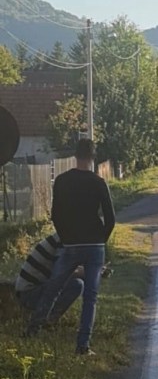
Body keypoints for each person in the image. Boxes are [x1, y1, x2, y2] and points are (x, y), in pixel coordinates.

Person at [27, 138, 116, 356]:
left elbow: (55, 214)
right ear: (93, 157)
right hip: (94, 244)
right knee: (90, 296)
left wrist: (66, 237)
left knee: (54, 287)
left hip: (71, 243)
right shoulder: (99, 182)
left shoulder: (62, 181)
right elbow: (111, 218)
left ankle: (33, 330)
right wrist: (101, 240)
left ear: (75, 156)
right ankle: (83, 345)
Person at [15, 233, 84, 326]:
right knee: (76, 285)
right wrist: (88, 271)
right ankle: (46, 321)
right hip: (29, 293)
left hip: (31, 290)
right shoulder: (65, 239)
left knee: (76, 282)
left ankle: (45, 321)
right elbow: (61, 272)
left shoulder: (65, 236)